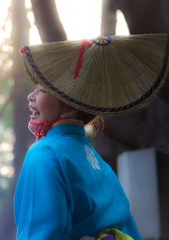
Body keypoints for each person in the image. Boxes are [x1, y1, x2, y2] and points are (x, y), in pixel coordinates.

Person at [14, 34, 169, 240]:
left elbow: (40, 232)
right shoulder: (97, 161)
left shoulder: (44, 153)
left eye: (41, 90)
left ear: (68, 107)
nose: (30, 96)